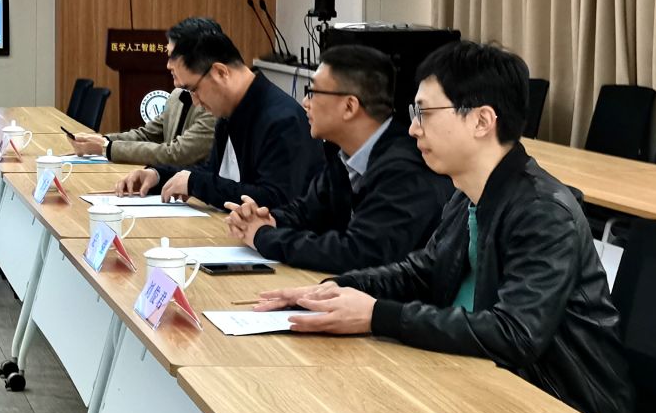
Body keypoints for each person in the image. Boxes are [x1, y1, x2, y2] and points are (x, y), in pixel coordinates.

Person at [254, 40, 634, 413]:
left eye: (425, 113)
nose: (413, 128)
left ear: (482, 121)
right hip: (479, 382)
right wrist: (338, 289)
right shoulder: (467, 193)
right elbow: (423, 270)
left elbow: (515, 333)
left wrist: (376, 315)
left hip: (562, 410)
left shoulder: (543, 212)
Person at [225, 44, 451, 273]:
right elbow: (306, 211)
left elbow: (359, 253)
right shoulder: (343, 155)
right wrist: (265, 219)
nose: (305, 102)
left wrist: (263, 236)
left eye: (312, 92)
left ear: (349, 106)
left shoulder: (404, 169)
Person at [114, 19, 318, 209]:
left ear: (220, 72)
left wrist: (195, 183)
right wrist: (158, 176)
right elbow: (214, 174)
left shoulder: (282, 120)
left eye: (193, 89)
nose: (195, 101)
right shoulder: (231, 111)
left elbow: (275, 200)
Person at [68, 16, 220, 166]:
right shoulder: (177, 94)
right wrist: (104, 141)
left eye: (173, 58)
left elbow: (177, 154)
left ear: (196, 59)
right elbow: (147, 135)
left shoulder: (214, 106)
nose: (168, 66)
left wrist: (106, 148)